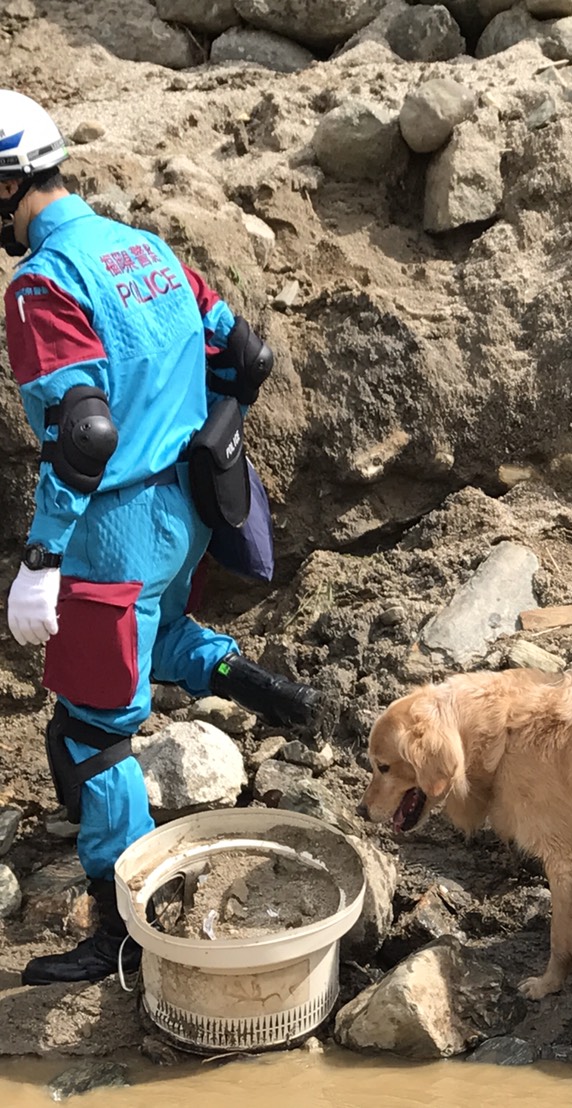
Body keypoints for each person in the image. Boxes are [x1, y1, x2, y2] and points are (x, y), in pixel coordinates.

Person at [1, 89, 325, 985]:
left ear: (7, 184)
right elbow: (247, 356)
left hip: (110, 531)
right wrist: (217, 434)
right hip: (186, 509)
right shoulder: (144, 250)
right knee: (159, 635)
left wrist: (42, 555)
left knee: (87, 729)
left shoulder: (42, 284)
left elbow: (87, 434)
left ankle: (121, 930)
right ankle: (258, 687)